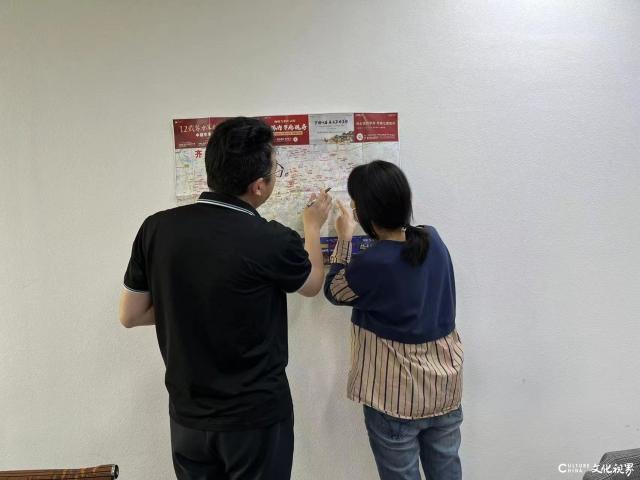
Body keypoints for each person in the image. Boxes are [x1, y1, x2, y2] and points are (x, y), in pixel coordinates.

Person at [118, 117, 332, 480]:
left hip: (188, 418)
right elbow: (311, 284)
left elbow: (130, 314)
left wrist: (187, 300)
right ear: (259, 186)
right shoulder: (270, 239)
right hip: (255, 418)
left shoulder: (156, 227)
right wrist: (312, 227)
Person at [324, 160, 463, 480]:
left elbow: (334, 291)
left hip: (395, 397)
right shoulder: (432, 239)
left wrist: (344, 239)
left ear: (364, 213)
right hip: (444, 390)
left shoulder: (373, 263)